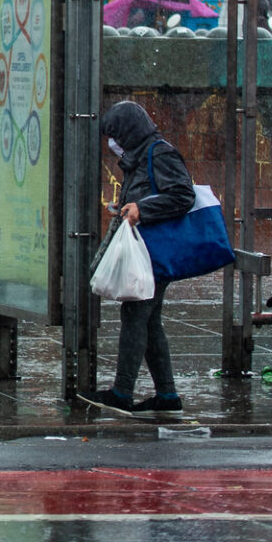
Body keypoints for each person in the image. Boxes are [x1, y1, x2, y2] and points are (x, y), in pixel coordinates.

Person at [90, 100, 196, 414]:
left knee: (136, 315)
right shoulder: (138, 157)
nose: (112, 143)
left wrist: (142, 209)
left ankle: (123, 392)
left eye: (115, 135)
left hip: (155, 252)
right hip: (146, 250)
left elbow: (182, 195)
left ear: (128, 132)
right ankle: (167, 396)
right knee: (149, 321)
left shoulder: (159, 152)